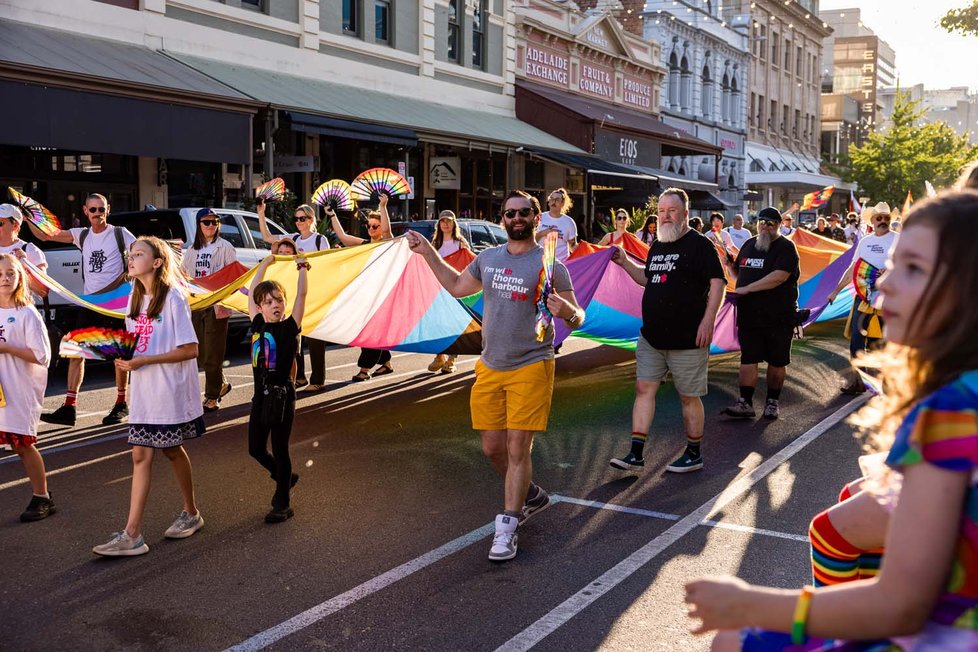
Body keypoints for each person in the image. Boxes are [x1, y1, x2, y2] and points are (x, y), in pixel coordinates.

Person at [685, 191, 978, 651]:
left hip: (947, 636)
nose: (884, 283)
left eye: (912, 268)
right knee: (848, 507)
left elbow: (902, 605)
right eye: (893, 265)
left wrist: (748, 603)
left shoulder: (952, 410)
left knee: (732, 640)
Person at [406, 190, 584, 562]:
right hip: (490, 366)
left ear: (536, 217)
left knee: (518, 449)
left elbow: (577, 316)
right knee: (492, 448)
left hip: (532, 364)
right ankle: (530, 494)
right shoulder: (488, 259)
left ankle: (507, 527)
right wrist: (427, 252)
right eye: (510, 213)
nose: (517, 218)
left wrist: (566, 311)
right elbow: (458, 286)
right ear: (502, 219)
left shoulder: (550, 264)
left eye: (524, 212)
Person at [92, 237, 204, 556]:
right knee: (140, 455)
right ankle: (133, 534)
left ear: (156, 262)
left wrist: (146, 360)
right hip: (144, 391)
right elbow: (135, 344)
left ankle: (190, 512)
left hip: (167, 390)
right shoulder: (134, 297)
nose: (131, 257)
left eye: (139, 253)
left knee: (171, 450)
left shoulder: (174, 298)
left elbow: (191, 349)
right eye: (131, 253)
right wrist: (122, 356)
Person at [609, 189, 726, 474]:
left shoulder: (700, 245)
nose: (665, 216)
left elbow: (718, 282)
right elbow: (647, 278)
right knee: (643, 389)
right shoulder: (658, 245)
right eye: (661, 211)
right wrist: (625, 262)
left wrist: (708, 321)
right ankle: (636, 454)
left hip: (688, 338)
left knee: (688, 396)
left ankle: (694, 454)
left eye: (671, 211)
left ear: (685, 213)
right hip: (652, 336)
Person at [29, 193, 135, 427]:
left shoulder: (121, 233)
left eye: (101, 209)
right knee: (76, 352)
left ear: (108, 209)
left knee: (119, 355)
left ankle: (121, 403)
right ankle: (69, 407)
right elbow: (47, 235)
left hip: (115, 304)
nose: (98, 214)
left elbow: (142, 253)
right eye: (93, 209)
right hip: (90, 303)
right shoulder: (82, 235)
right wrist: (30, 218)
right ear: (85, 211)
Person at [721, 206, 801, 421]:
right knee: (748, 358)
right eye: (762, 222)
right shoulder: (749, 245)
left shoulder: (786, 247)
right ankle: (745, 403)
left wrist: (747, 289)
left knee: (777, 360)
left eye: (771, 223)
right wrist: (730, 266)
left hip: (779, 316)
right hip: (749, 315)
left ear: (779, 225)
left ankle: (772, 402)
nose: (765, 226)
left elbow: (779, 277)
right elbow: (739, 276)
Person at [246, 252, 308, 523]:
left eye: (279, 300)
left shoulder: (290, 327)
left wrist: (302, 267)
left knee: (280, 449)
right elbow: (252, 293)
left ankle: (282, 503)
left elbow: (302, 295)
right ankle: (286, 477)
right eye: (268, 302)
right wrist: (264, 265)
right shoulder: (257, 324)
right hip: (260, 396)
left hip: (283, 396)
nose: (275, 305)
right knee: (255, 448)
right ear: (260, 307)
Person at [0, 254, 53, 521]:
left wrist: (7, 348)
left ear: (20, 277)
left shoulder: (27, 313)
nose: (5, 278)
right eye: (0, 274)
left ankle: (42, 496)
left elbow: (42, 355)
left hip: (18, 389)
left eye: (10, 273)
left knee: (21, 445)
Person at [827, 202, 898, 395]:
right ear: (872, 221)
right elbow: (853, 269)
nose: (883, 221)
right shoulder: (865, 242)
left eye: (886, 218)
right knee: (856, 342)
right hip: (864, 297)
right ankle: (858, 382)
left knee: (884, 342)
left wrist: (890, 270)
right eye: (879, 218)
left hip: (888, 298)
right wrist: (836, 291)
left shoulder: (898, 239)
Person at [259, 200, 329, 391]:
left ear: (311, 220)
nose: (298, 222)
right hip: (295, 293)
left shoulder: (319, 240)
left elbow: (327, 264)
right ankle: (300, 377)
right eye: (296, 218)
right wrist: (261, 213)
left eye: (302, 218)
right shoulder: (293, 238)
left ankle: (318, 379)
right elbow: (267, 237)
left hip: (314, 293)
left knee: (315, 337)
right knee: (293, 335)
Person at [329, 197, 395, 382]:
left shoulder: (387, 243)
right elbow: (342, 237)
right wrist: (332, 214)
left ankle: (364, 369)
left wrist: (382, 206)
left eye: (375, 226)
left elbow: (387, 231)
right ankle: (386, 363)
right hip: (365, 295)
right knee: (369, 330)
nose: (371, 228)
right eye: (369, 225)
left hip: (382, 296)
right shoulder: (365, 244)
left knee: (370, 332)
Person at [180, 208, 236, 412]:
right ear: (198, 225)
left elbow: (233, 275)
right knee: (200, 352)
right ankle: (220, 383)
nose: (211, 225)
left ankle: (212, 396)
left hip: (216, 305)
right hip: (197, 304)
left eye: (215, 222)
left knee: (213, 352)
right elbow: (183, 274)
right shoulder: (191, 250)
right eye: (206, 222)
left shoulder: (225, 247)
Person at [427, 210, 471, 374]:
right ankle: (439, 356)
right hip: (437, 290)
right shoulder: (435, 244)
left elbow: (468, 263)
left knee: (453, 325)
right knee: (438, 324)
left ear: (454, 223)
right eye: (443, 221)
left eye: (449, 221)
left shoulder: (460, 243)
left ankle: (451, 359)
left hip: (455, 290)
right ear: (439, 224)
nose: (445, 224)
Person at [0, 204, 47, 272]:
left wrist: (23, 261)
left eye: (0, 223)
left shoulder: (30, 249)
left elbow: (42, 277)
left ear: (15, 226)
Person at [538, 187, 578, 261]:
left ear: (562, 203)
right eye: (552, 199)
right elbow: (530, 241)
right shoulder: (539, 218)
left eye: (557, 200)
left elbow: (572, 247)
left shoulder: (569, 222)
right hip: (541, 262)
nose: (554, 202)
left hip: (561, 262)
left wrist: (587, 253)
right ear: (549, 202)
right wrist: (544, 233)